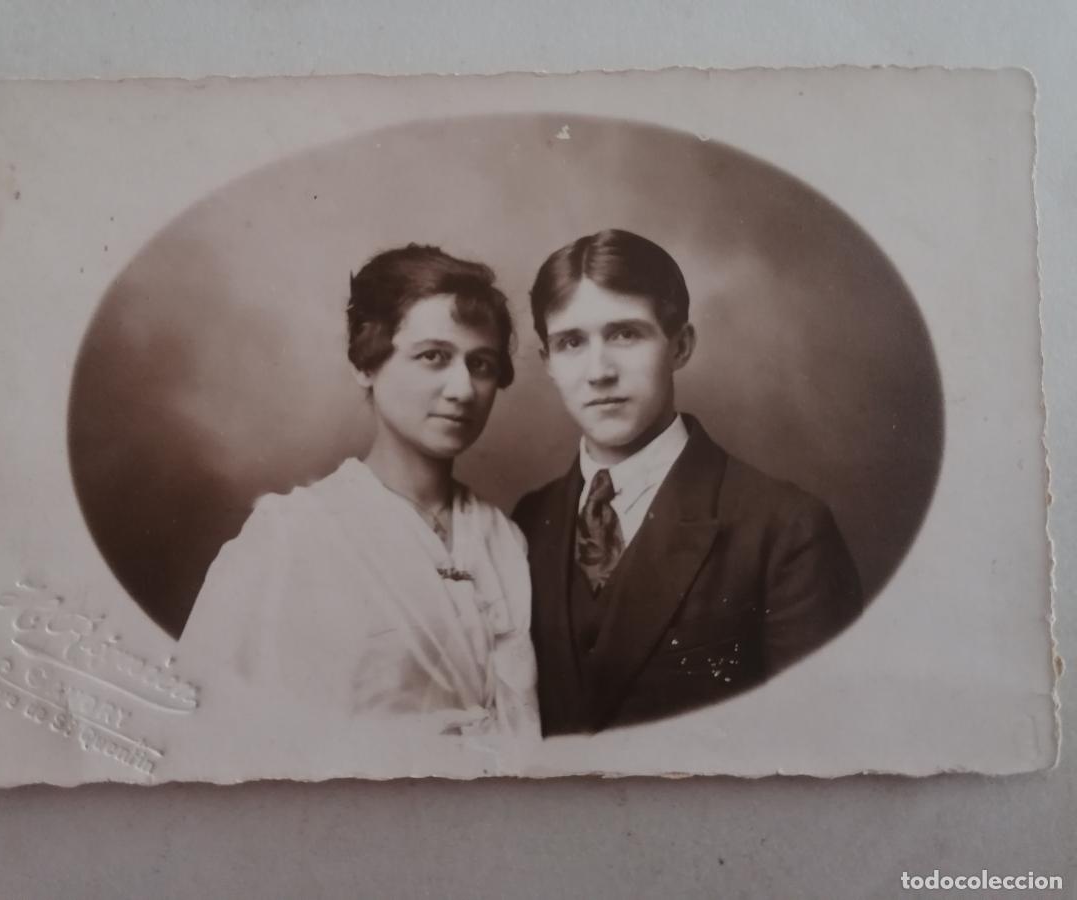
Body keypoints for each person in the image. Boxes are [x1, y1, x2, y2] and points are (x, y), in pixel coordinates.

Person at [186, 245, 538, 762]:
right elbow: (200, 727)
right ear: (366, 363)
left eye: (481, 364)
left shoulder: (506, 541)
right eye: (433, 356)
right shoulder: (289, 536)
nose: (463, 388)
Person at [514, 228, 862, 736]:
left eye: (625, 334)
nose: (599, 371)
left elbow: (820, 743)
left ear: (680, 346)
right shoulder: (527, 522)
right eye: (571, 342)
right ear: (547, 362)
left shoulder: (785, 529)